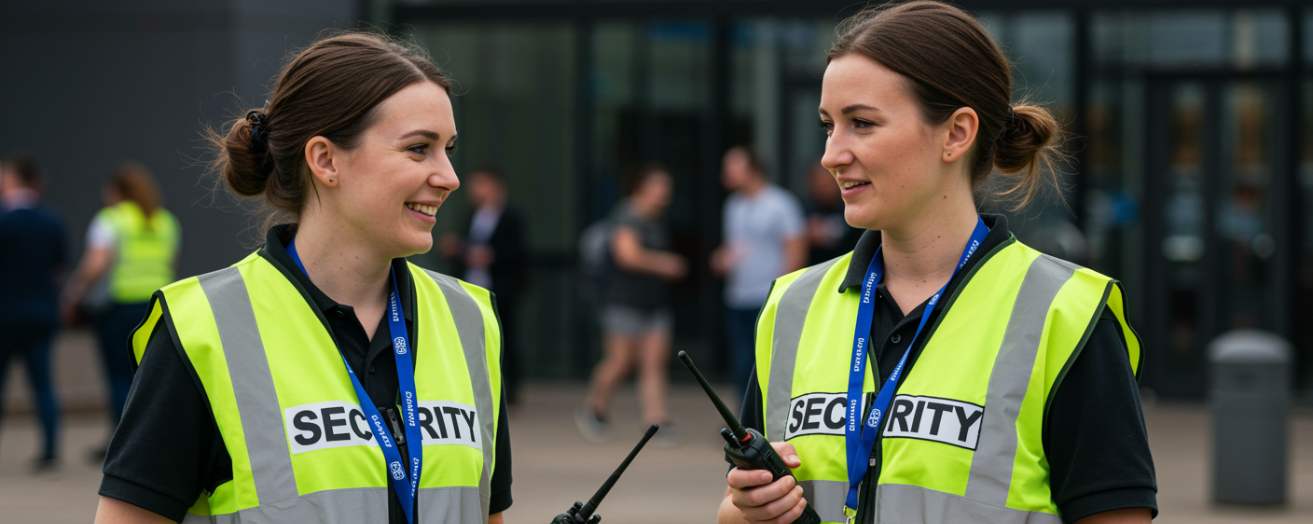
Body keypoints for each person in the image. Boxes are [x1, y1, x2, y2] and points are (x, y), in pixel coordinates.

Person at [718, 2, 1156, 524]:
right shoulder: (790, 307)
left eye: (861, 123)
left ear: (956, 133)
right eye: (828, 126)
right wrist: (742, 512)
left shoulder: (1067, 314)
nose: (831, 154)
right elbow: (740, 510)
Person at [94, 33, 511, 524]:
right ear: (325, 160)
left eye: (449, 149)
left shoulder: (470, 319)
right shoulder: (203, 329)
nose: (449, 176)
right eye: (419, 149)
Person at [62, 161, 180, 451]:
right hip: (156, 305)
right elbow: (170, 263)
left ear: (116, 192)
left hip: (119, 307)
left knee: (118, 375)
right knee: (150, 374)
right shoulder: (164, 221)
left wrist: (74, 293)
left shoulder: (111, 219)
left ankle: (123, 442)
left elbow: (97, 264)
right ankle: (154, 438)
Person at [577, 164, 685, 443]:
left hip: (654, 303)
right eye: (659, 187)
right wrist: (665, 264)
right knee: (620, 361)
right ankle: (594, 409)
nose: (665, 194)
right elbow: (628, 256)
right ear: (642, 188)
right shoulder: (627, 216)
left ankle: (656, 422)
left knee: (654, 364)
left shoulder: (656, 218)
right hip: (624, 302)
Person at [712, 146, 806, 395]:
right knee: (741, 363)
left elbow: (796, 248)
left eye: (733, 166)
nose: (727, 172)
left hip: (767, 297)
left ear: (752, 169)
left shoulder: (780, 204)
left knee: (765, 363)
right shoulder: (733, 205)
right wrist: (722, 259)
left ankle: (765, 421)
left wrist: (784, 293)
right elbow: (733, 247)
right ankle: (743, 423)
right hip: (737, 296)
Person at [0, 156, 67, 472]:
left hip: (4, 315)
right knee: (43, 385)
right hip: (41, 314)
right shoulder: (51, 222)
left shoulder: (3, 222)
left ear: (14, 179)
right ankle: (51, 449)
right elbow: (58, 269)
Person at [440, 168, 528, 405]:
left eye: (482, 184)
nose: (475, 190)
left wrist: (492, 256)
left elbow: (518, 252)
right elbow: (461, 246)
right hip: (469, 285)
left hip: (499, 287)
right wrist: (458, 250)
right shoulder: (469, 215)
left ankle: (510, 390)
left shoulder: (511, 217)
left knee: (504, 336)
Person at [803, 163, 861, 265]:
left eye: (827, 183)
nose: (823, 188)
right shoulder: (803, 210)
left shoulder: (851, 207)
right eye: (819, 183)